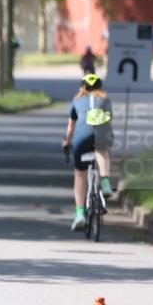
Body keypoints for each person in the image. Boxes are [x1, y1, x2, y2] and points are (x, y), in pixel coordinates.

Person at [62, 73, 114, 231]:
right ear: (100, 86)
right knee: (102, 150)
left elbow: (71, 126)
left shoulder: (77, 100)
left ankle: (80, 214)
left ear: (82, 87)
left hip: (82, 135)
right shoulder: (105, 99)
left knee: (80, 174)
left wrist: (67, 142)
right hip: (101, 133)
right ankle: (105, 182)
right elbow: (109, 120)